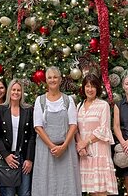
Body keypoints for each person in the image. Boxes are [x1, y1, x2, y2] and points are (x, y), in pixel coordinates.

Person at [31, 66, 81, 196]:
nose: (52, 80)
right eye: (50, 77)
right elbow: (38, 127)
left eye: (55, 77)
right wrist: (53, 146)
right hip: (45, 150)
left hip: (66, 150)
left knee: (67, 184)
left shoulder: (68, 100)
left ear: (60, 80)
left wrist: (63, 147)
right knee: (45, 183)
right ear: (46, 80)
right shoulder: (40, 101)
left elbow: (73, 125)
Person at [75, 73, 118, 196]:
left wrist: (85, 142)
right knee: (92, 192)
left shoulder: (103, 105)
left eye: (93, 86)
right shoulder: (79, 106)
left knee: (101, 192)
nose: (90, 89)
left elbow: (103, 129)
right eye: (87, 86)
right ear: (83, 88)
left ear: (97, 88)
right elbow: (76, 128)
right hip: (85, 154)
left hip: (99, 152)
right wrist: (80, 145)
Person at [0, 78, 35, 196]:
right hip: (8, 158)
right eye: (13, 90)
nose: (15, 92)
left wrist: (29, 159)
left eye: (18, 90)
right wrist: (6, 156)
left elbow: (32, 136)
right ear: (9, 92)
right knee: (8, 193)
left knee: (25, 193)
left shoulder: (28, 110)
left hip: (23, 158)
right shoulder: (2, 109)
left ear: (22, 93)